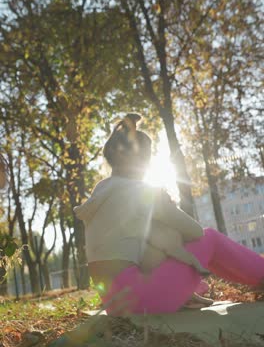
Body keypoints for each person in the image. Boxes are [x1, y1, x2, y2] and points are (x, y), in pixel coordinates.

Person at [74, 113, 264, 316]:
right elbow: (195, 232)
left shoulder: (102, 190)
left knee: (164, 246)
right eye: (147, 156)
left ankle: (192, 292)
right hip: (143, 298)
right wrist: (167, 203)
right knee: (210, 238)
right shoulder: (141, 191)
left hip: (115, 303)